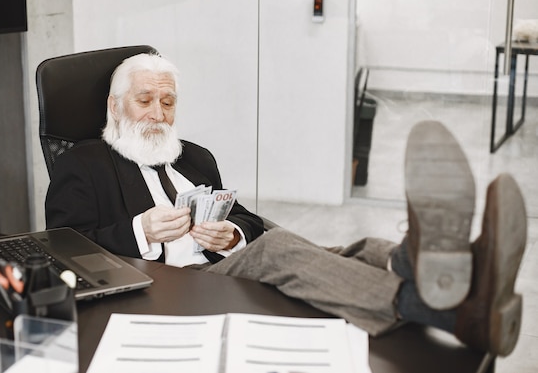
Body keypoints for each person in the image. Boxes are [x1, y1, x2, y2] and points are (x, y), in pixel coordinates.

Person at [45, 53, 527, 357]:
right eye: (144, 100)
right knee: (281, 252)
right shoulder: (84, 164)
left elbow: (247, 218)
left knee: (359, 248)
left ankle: (454, 279)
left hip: (218, 265)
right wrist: (141, 232)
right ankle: (452, 301)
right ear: (115, 107)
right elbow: (64, 249)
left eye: (168, 102)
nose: (157, 113)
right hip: (163, 290)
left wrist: (232, 233)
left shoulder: (193, 155)